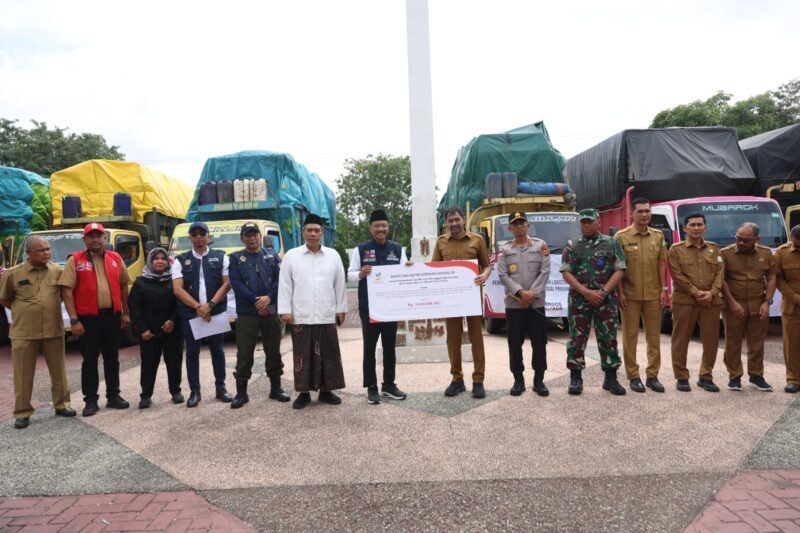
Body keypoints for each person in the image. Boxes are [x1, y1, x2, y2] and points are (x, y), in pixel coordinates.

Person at [0, 236, 75, 429]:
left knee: (59, 371)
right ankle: (22, 412)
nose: (47, 253)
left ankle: (62, 405)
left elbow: (62, 296)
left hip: (53, 329)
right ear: (29, 253)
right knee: (23, 374)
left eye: (48, 249)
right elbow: (5, 299)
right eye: (41, 250)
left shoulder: (57, 271)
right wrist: (24, 311)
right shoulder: (14, 274)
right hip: (24, 332)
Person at [60, 222, 132, 416]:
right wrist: (74, 320)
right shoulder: (74, 260)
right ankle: (90, 401)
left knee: (112, 359)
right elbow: (66, 290)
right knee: (90, 360)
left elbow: (124, 285)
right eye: (91, 236)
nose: (95, 239)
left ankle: (114, 396)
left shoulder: (116, 258)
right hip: (87, 319)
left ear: (104, 238)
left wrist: (125, 312)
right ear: (84, 239)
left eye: (98, 236)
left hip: (112, 317)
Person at [278, 214, 347, 409]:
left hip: (326, 312)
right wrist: (285, 311)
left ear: (322, 233)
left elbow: (339, 284)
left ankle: (327, 391)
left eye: (317, 230)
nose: (313, 234)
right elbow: (284, 285)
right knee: (302, 355)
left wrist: (341, 308)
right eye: (309, 230)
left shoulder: (333, 256)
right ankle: (303, 392)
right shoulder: (292, 256)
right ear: (303, 232)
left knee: (329, 353)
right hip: (301, 314)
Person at [560, 208, 627, 396]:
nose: (586, 225)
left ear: (598, 222)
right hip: (579, 300)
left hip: (605, 300)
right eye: (583, 222)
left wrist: (604, 292)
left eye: (590, 221)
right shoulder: (572, 245)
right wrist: (585, 292)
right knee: (576, 338)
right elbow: (566, 271)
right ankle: (575, 377)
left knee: (608, 338)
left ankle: (611, 378)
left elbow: (620, 269)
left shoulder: (611, 243)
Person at [348, 209, 409, 404]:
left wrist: (410, 269)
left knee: (390, 347)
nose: (380, 229)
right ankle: (371, 386)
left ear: (388, 227)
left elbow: (406, 273)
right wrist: (360, 274)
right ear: (370, 228)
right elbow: (349, 274)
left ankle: (389, 385)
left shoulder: (398, 249)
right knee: (369, 347)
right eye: (377, 226)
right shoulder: (362, 249)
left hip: (391, 308)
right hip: (369, 308)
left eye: (384, 225)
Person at [432, 206, 492, 399]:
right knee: (453, 340)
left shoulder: (477, 240)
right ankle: (457, 380)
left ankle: (478, 380)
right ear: (446, 223)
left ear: (463, 219)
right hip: (452, 300)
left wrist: (485, 274)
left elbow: (487, 265)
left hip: (472, 297)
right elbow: (434, 268)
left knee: (476, 339)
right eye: (450, 221)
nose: (454, 224)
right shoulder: (441, 243)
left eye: (457, 219)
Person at [228, 222, 289, 408]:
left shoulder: (272, 256)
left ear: (260, 236)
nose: (252, 238)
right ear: (242, 238)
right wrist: (257, 300)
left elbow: (281, 280)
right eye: (247, 235)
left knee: (273, 349)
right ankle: (241, 393)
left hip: (270, 310)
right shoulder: (236, 258)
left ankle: (276, 388)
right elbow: (236, 284)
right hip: (247, 312)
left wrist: (269, 298)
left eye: (254, 234)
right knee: (245, 352)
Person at [172, 221, 232, 408]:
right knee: (192, 353)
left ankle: (221, 388)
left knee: (218, 351)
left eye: (202, 234)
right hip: (191, 314)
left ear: (208, 237)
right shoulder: (180, 260)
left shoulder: (221, 257)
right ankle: (195, 391)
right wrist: (199, 307)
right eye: (195, 234)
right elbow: (177, 289)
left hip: (216, 312)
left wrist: (211, 305)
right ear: (190, 237)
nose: (199, 237)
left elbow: (227, 283)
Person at [614, 198, 668, 393]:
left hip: (653, 294)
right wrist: (619, 292)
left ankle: (652, 375)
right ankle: (633, 376)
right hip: (630, 295)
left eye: (647, 211)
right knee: (630, 337)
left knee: (654, 337)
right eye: (640, 212)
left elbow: (662, 264)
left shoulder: (658, 236)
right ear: (632, 213)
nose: (645, 215)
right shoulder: (621, 237)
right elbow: (617, 267)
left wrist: (663, 290)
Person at [495, 211, 551, 397]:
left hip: (535, 304)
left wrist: (531, 295)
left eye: (522, 222)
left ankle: (539, 380)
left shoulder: (540, 245)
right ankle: (518, 380)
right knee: (514, 344)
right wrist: (521, 293)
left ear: (528, 225)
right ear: (509, 228)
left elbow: (545, 272)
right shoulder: (504, 250)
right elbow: (503, 275)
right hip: (514, 306)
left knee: (539, 343)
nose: (519, 226)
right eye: (515, 223)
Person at [667, 213, 725, 392]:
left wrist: (712, 292)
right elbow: (676, 274)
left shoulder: (715, 249)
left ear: (705, 227)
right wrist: (695, 291)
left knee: (711, 340)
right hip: (685, 301)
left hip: (710, 302)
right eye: (692, 225)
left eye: (700, 224)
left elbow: (720, 272)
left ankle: (706, 376)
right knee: (680, 339)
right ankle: (682, 377)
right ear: (685, 228)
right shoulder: (675, 250)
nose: (696, 228)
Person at [720, 223, 777, 392]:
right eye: (738, 238)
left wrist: (767, 302)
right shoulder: (725, 253)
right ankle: (734, 377)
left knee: (757, 342)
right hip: (734, 305)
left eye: (745, 240)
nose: (740, 242)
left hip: (757, 304)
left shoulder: (765, 253)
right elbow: (721, 281)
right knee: (732, 342)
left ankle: (756, 376)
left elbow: (772, 277)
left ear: (756, 239)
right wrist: (731, 303)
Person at [128, 247, 184, 408]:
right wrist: (143, 329)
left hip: (171, 330)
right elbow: (135, 307)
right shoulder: (140, 282)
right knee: (149, 363)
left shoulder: (174, 279)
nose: (160, 261)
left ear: (168, 262)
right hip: (149, 333)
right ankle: (145, 396)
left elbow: (179, 302)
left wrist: (172, 320)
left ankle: (176, 391)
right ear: (150, 262)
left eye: (163, 258)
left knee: (174, 362)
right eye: (156, 258)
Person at [775, 224, 800, 394]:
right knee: (792, 345)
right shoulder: (782, 253)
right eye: (797, 244)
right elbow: (779, 280)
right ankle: (793, 379)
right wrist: (797, 298)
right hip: (792, 307)